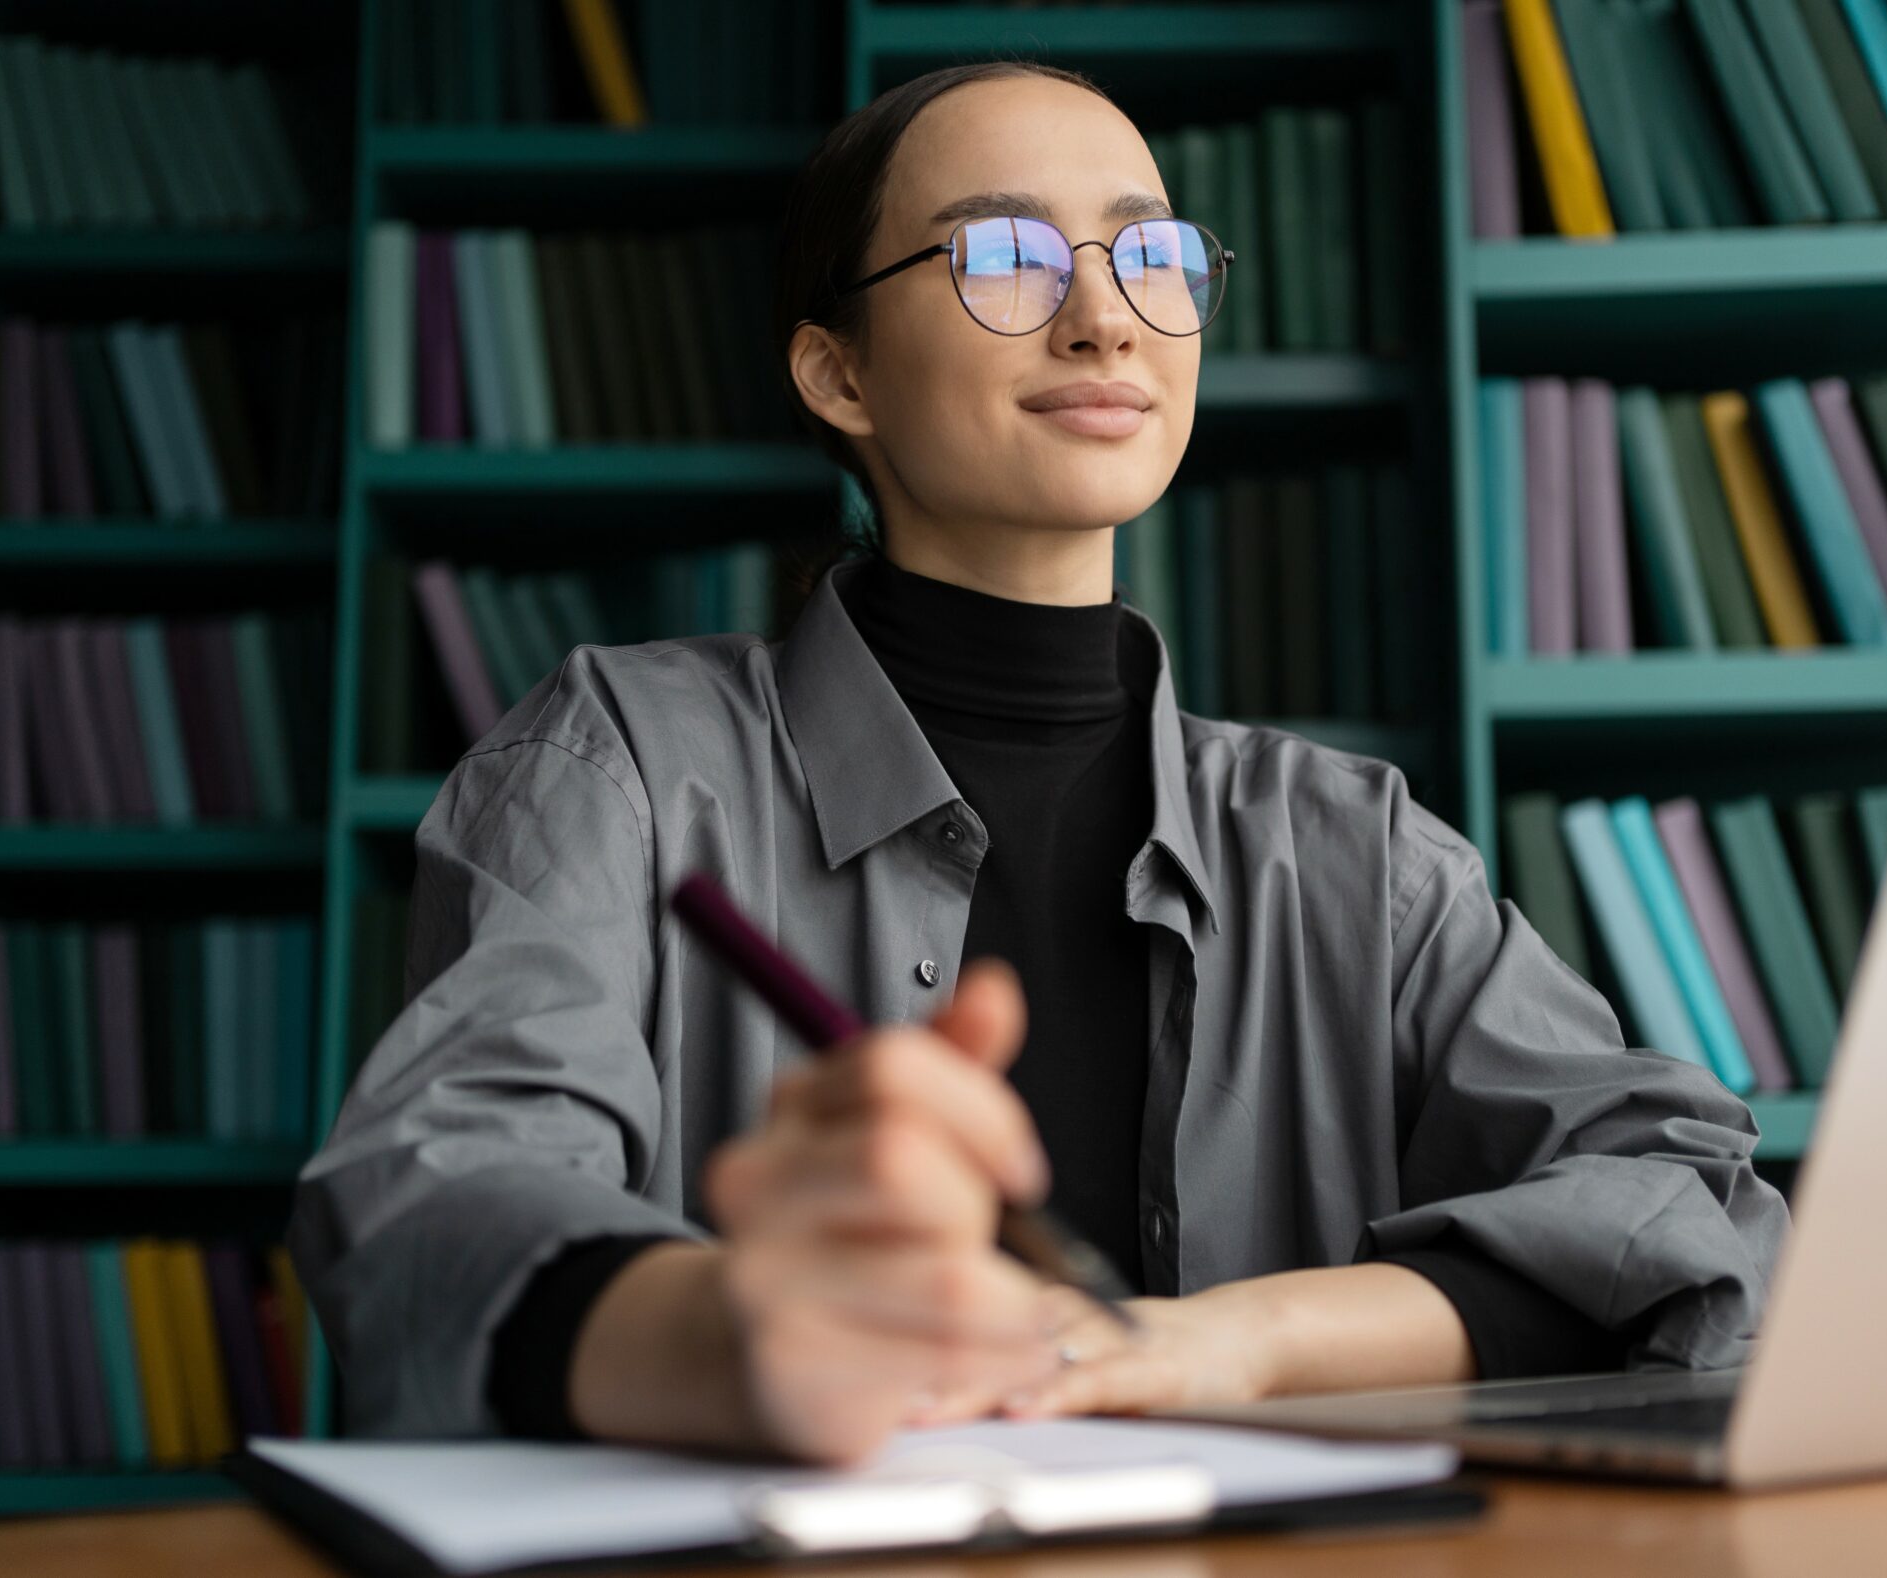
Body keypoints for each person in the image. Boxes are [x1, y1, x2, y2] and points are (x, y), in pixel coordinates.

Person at [288, 61, 1788, 1469]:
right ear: (838, 373)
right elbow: (432, 1200)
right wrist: (734, 1336)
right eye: (1003, 258)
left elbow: (1698, 1205)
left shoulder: (1357, 846)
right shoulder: (617, 758)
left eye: (1151, 258)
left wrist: (1231, 1345)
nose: (1103, 319)